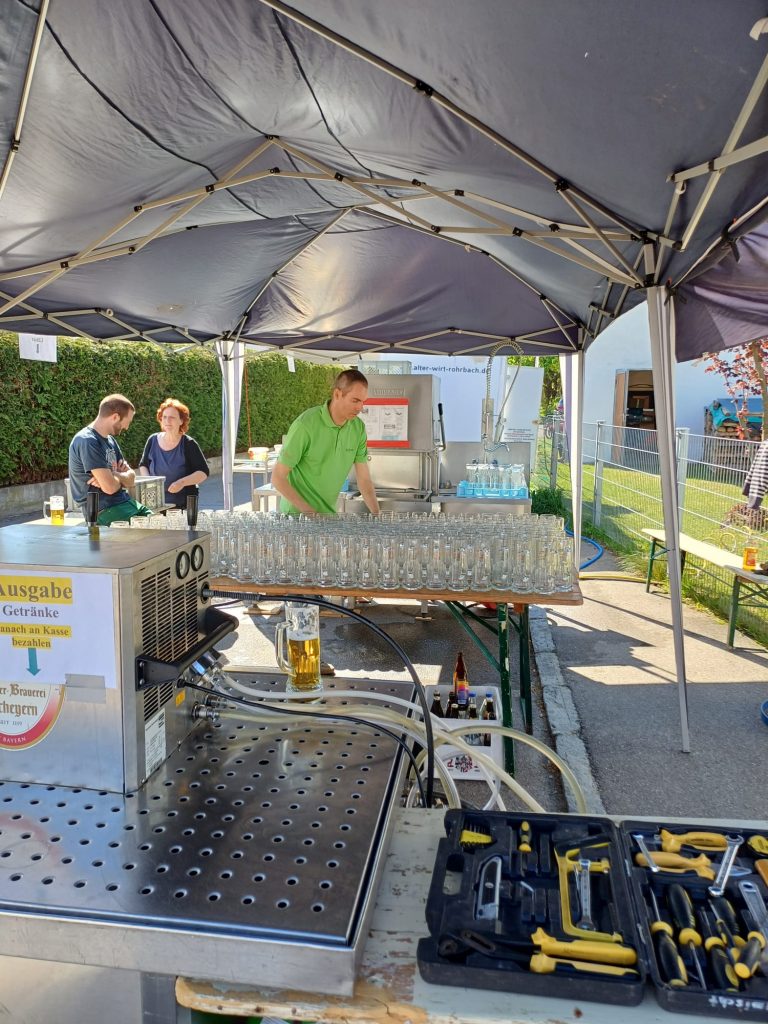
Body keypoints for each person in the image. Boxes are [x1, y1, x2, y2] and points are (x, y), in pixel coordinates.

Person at [272, 369, 380, 516]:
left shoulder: (358, 429)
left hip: (328, 517)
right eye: (355, 400)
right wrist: (311, 514)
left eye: (363, 402)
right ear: (337, 394)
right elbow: (278, 477)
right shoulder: (305, 425)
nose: (360, 408)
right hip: (296, 518)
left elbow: (364, 480)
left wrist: (377, 515)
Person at [68, 394, 152, 525]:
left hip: (125, 503)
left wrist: (113, 475)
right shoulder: (87, 441)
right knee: (156, 532)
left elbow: (131, 479)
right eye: (128, 422)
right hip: (104, 510)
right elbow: (110, 487)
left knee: (163, 524)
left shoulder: (110, 440)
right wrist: (118, 479)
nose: (126, 427)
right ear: (115, 417)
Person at [138, 398, 209, 509]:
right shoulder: (152, 440)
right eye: (164, 417)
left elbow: (203, 472)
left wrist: (181, 483)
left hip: (183, 505)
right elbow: (143, 465)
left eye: (172, 417)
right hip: (155, 504)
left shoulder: (188, 443)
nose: (167, 421)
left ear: (181, 421)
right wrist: (149, 483)